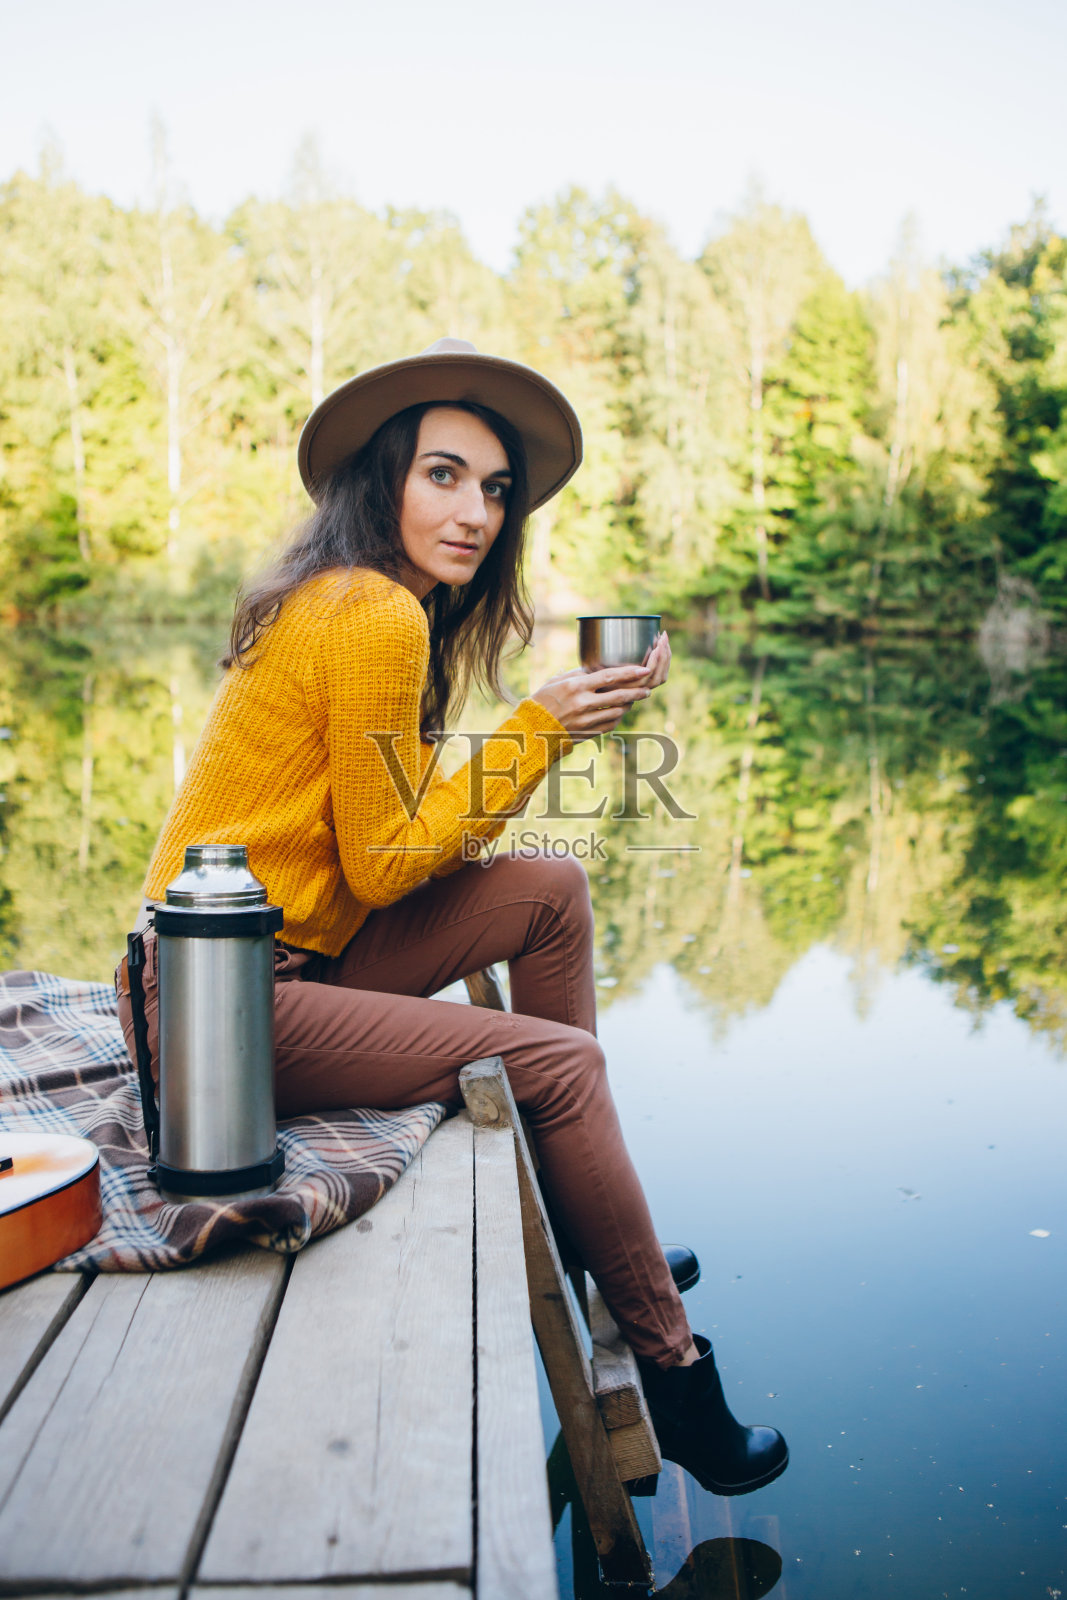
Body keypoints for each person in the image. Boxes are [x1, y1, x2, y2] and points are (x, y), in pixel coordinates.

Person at [116, 337, 787, 1497]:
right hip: (216, 1014)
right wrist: (535, 731)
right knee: (560, 1065)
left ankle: (588, 1228)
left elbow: (399, 841)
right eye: (443, 475)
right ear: (383, 481)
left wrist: (547, 730)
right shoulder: (370, 613)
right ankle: (672, 1371)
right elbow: (388, 866)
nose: (474, 509)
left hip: (279, 968)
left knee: (550, 893)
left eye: (493, 488)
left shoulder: (372, 607)